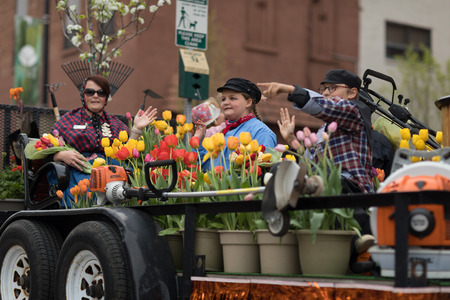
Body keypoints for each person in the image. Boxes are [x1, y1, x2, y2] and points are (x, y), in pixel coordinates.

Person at [258, 69, 374, 193]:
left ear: (352, 92)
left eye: (332, 88)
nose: (325, 93)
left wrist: (290, 90)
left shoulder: (354, 112)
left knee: (326, 174)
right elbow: (308, 164)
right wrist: (291, 139)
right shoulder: (324, 129)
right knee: (280, 168)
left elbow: (329, 106)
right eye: (324, 89)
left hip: (352, 188)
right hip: (324, 185)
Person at [51, 74, 157, 204]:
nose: (95, 96)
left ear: (106, 98)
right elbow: (47, 150)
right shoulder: (68, 119)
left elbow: (124, 153)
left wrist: (137, 129)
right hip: (81, 169)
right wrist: (60, 154)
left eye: (101, 93)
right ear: (83, 95)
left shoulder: (116, 123)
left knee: (135, 184)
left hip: (114, 169)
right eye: (90, 92)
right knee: (90, 189)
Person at [197, 78, 277, 171]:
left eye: (232, 98)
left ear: (248, 102)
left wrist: (225, 182)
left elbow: (259, 174)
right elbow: (207, 169)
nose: (225, 102)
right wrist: (198, 141)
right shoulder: (223, 132)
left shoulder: (262, 132)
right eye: (223, 99)